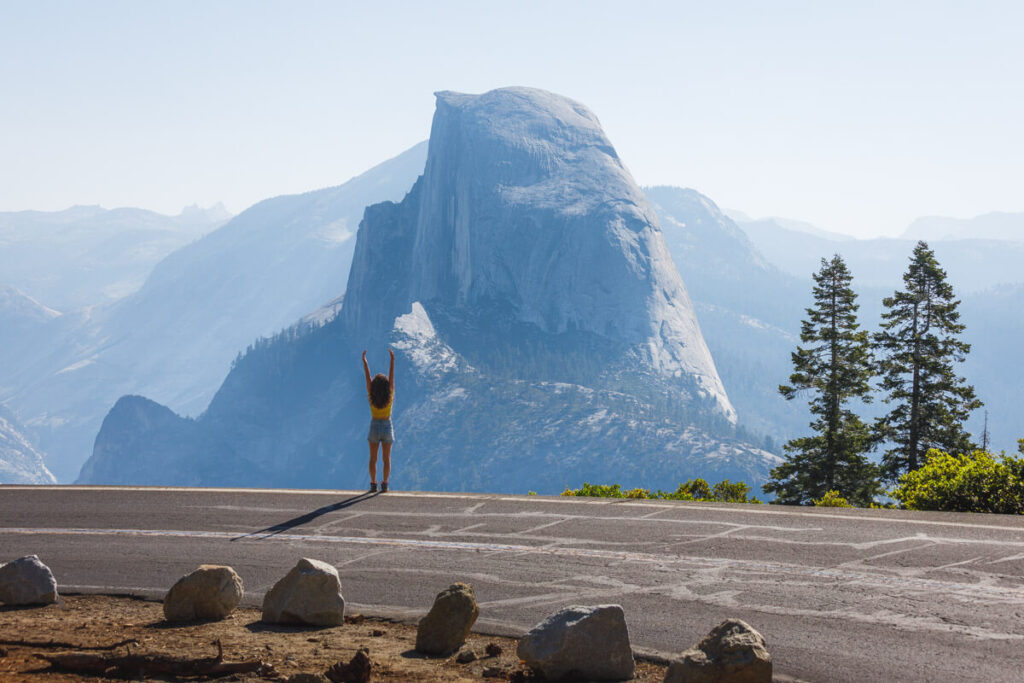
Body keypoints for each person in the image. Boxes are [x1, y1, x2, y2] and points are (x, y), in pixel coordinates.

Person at [362, 348, 395, 492]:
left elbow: (367, 376)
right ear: (387, 386)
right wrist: (392, 360)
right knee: (386, 459)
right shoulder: (390, 394)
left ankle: (373, 483)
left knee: (373, 458)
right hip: (387, 425)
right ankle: (385, 484)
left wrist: (365, 361)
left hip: (374, 424)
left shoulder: (371, 395)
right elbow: (392, 377)